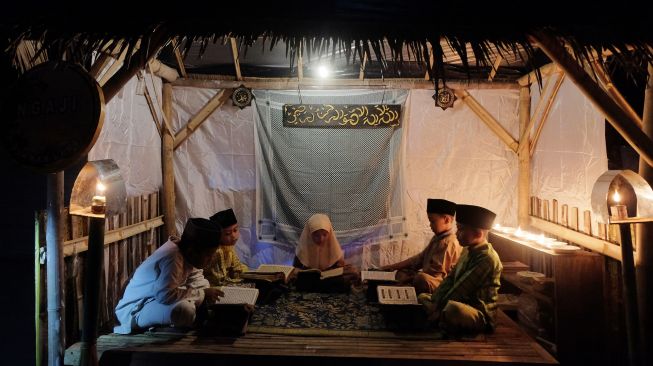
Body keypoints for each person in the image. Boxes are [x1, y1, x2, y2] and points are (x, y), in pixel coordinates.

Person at [114, 218, 224, 334]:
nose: (211, 259)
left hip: (155, 301)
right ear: (192, 252)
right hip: (136, 309)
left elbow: (196, 278)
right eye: (208, 255)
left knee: (194, 303)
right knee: (184, 311)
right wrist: (202, 294)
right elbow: (165, 295)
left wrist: (208, 293)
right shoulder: (173, 258)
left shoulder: (187, 255)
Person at [418, 204, 502, 335]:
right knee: (423, 297)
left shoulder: (487, 259)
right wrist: (435, 301)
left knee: (452, 309)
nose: (456, 234)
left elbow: (460, 289)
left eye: (461, 229)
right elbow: (450, 279)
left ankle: (440, 317)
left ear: (478, 233)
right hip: (459, 301)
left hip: (478, 312)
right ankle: (440, 316)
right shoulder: (467, 250)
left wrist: (437, 309)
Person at [380, 198, 461, 294]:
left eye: (432, 221)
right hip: (427, 276)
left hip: (440, 284)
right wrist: (393, 267)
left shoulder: (448, 243)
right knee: (402, 272)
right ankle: (408, 288)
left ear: (446, 219)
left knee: (421, 279)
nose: (430, 225)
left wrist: (408, 280)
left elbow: (436, 275)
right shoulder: (437, 238)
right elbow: (419, 259)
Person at [204, 208, 250, 286]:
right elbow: (220, 280)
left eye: (235, 230)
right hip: (214, 288)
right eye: (228, 233)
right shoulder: (217, 252)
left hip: (227, 283)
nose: (233, 236)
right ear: (218, 236)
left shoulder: (229, 247)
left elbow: (237, 268)